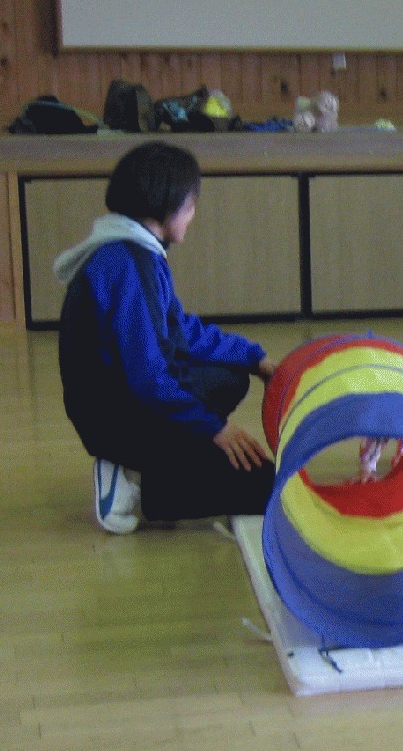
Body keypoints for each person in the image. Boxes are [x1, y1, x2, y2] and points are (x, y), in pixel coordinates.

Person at [54, 142, 276, 534]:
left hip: (119, 403)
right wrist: (215, 428)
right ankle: (134, 475)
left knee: (230, 377)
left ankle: (151, 469)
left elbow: (179, 330)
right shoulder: (126, 264)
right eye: (190, 205)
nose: (193, 215)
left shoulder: (134, 250)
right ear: (166, 203)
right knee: (262, 487)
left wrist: (253, 358)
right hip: (114, 417)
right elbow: (148, 380)